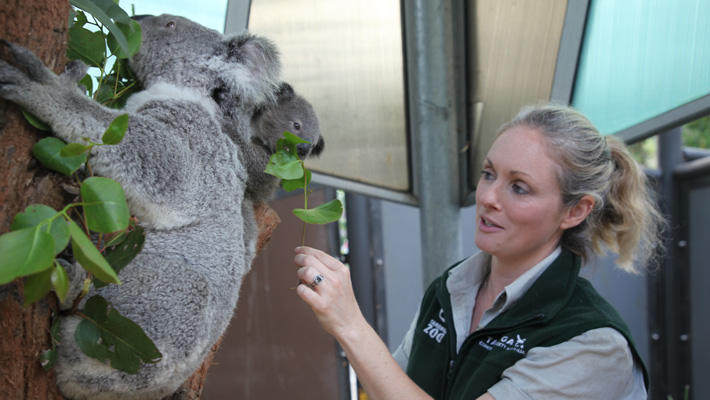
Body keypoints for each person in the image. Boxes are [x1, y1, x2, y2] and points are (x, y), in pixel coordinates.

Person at [293, 103, 666, 399]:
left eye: (519, 187)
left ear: (575, 211)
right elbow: (391, 387)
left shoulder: (592, 342)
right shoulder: (450, 290)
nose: (487, 197)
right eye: (489, 174)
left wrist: (350, 325)